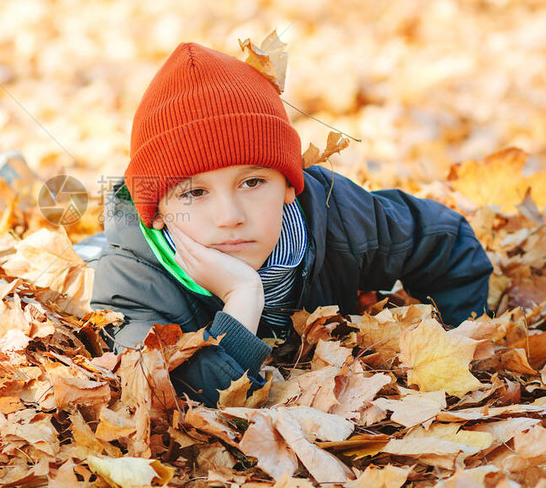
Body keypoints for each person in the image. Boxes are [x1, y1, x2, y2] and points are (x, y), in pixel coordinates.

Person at [89, 42, 493, 407]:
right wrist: (241, 295)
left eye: (252, 182)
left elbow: (446, 239)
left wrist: (453, 342)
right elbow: (198, 395)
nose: (230, 216)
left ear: (288, 185)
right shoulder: (135, 281)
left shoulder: (341, 218)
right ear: (158, 210)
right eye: (194, 193)